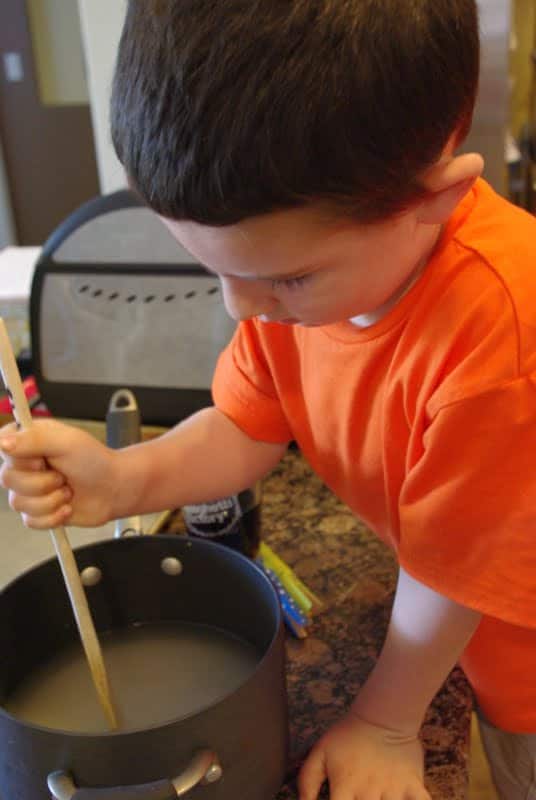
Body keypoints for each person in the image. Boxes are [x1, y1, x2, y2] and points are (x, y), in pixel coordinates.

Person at [1, 1, 535, 797]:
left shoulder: (505, 337)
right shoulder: (295, 281)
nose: (240, 308)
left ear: (438, 196)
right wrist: (126, 479)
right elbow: (250, 424)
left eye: (285, 277)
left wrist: (388, 724)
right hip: (450, 602)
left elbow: (452, 575)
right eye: (209, 266)